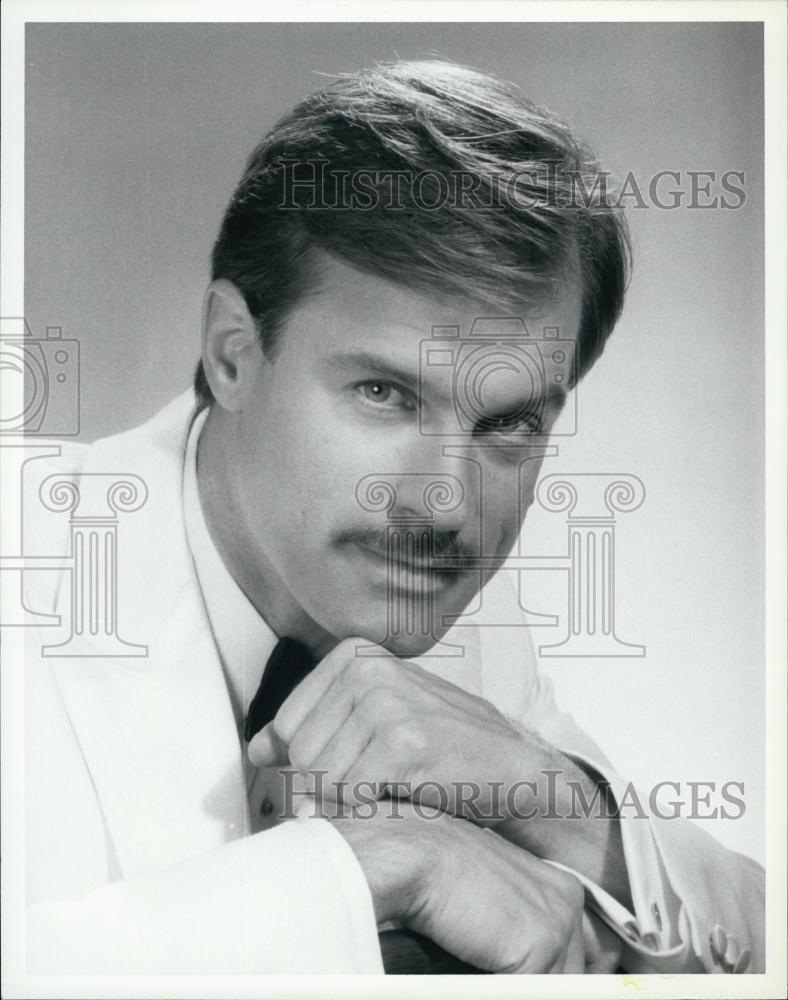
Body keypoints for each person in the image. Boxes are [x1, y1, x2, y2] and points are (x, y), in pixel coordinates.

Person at [23, 59, 763, 975]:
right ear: (231, 354)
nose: (445, 502)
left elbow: (753, 943)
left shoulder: (443, 603)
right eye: (386, 394)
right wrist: (363, 876)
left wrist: (546, 793)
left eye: (508, 423)